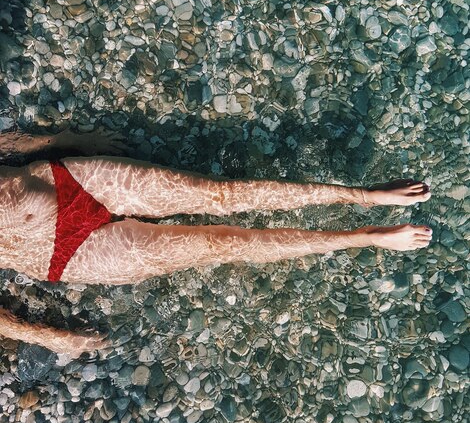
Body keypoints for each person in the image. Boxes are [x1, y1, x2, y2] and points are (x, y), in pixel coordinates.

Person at [0, 128, 432, 357]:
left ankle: (364, 195)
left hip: (64, 182)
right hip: (67, 256)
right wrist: (50, 338)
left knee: (223, 195)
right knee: (224, 244)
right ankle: (363, 237)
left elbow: (7, 144)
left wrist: (68, 141)